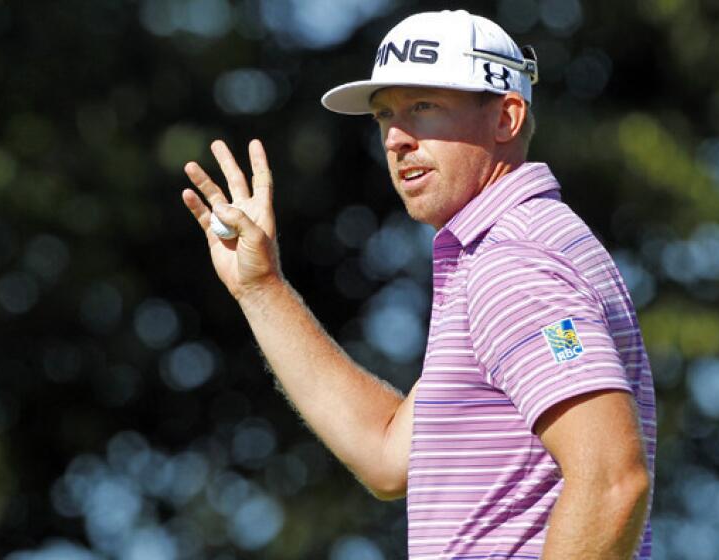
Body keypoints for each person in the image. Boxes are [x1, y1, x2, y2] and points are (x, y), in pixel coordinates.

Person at [182, 9, 656, 560]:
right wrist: (262, 287)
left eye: (424, 107)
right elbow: (386, 455)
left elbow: (612, 483)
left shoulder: (514, 262)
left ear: (506, 117)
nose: (396, 139)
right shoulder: (502, 251)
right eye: (385, 116)